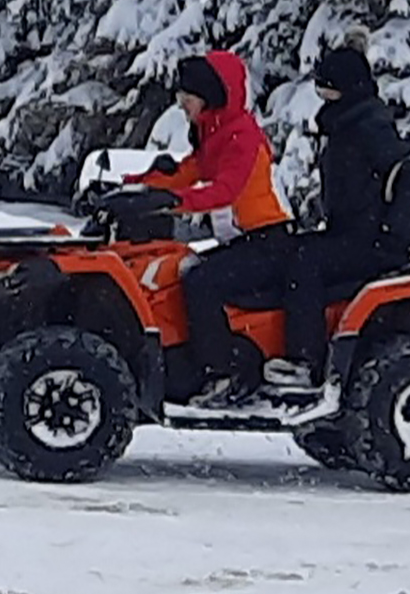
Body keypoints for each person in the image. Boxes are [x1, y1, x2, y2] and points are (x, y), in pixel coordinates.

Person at [124, 50, 291, 404]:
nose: (181, 101)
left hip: (266, 242)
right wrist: (132, 186)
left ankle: (224, 372)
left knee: (200, 282)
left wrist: (174, 203)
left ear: (212, 93)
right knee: (181, 268)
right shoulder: (216, 131)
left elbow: (226, 190)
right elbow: (188, 171)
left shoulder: (242, 136)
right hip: (241, 241)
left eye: (189, 93)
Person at [278, 42, 410, 379]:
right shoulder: (350, 121)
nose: (322, 96)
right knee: (295, 251)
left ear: (345, 87)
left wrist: (391, 234)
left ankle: (305, 359)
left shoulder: (367, 125)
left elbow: (409, 173)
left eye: (326, 88)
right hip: (352, 229)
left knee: (303, 263)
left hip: (368, 238)